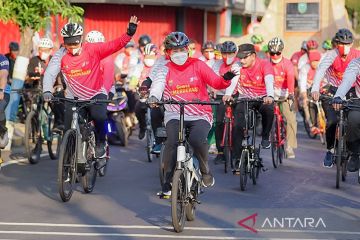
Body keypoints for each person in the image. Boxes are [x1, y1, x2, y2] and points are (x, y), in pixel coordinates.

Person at [148, 32, 235, 197]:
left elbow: (216, 82)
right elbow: (157, 86)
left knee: (196, 139)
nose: (179, 53)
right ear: (168, 52)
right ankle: (167, 181)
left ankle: (205, 170)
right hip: (175, 113)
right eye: (174, 50)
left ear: (188, 49)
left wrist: (226, 79)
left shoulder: (198, 65)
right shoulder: (163, 68)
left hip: (200, 113)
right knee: (172, 142)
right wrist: (154, 97)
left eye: (182, 49)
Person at [43, 16, 139, 159]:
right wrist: (47, 90)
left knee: (99, 116)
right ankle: (68, 160)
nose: (72, 48)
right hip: (73, 98)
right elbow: (50, 72)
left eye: (75, 44)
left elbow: (114, 44)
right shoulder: (61, 54)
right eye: (69, 45)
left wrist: (129, 34)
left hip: (95, 94)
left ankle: (101, 141)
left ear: (81, 40)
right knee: (69, 128)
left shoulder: (93, 49)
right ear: (64, 43)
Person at [311, 28, 360, 168]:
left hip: (351, 92)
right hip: (333, 91)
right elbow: (321, 70)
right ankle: (330, 149)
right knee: (332, 121)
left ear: (352, 44)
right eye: (342, 44)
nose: (345, 47)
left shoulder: (356, 56)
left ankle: (352, 149)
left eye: (348, 44)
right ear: (337, 44)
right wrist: (315, 88)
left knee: (353, 121)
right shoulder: (332, 55)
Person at [223, 43, 275, 163]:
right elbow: (233, 81)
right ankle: (236, 158)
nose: (241, 60)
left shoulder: (264, 64)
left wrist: (270, 95)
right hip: (245, 98)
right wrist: (228, 94)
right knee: (237, 126)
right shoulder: (237, 65)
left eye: (244, 57)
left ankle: (265, 136)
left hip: (262, 98)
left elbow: (269, 80)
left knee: (269, 109)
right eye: (240, 57)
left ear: (253, 56)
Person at [26, 37, 65, 130]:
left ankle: (58, 123)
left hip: (51, 89)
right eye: (41, 49)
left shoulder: (54, 60)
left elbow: (59, 75)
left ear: (51, 50)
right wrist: (35, 75)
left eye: (45, 50)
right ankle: (34, 127)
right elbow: (29, 73)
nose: (43, 52)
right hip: (36, 88)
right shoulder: (34, 60)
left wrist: (58, 86)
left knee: (55, 103)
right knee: (33, 105)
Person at [268, 37, 297, 158]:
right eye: (272, 53)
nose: (275, 55)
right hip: (270, 95)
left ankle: (289, 146)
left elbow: (290, 78)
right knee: (266, 116)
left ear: (282, 51)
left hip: (285, 95)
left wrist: (291, 94)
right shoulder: (265, 63)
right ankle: (268, 136)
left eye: (277, 53)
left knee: (291, 120)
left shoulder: (287, 64)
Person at [211, 41, 240, 163]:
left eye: (230, 53)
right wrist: (213, 89)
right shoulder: (217, 64)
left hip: (237, 94)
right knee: (218, 122)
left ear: (235, 53)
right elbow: (212, 78)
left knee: (239, 123)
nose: (227, 56)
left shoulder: (239, 63)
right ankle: (220, 152)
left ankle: (238, 150)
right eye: (224, 53)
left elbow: (236, 80)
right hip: (221, 95)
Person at [332, 57, 360, 172]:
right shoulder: (356, 63)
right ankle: (355, 154)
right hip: (359, 100)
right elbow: (348, 80)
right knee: (353, 119)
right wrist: (338, 96)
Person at [298, 50, 323, 134]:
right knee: (310, 104)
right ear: (310, 61)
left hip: (321, 88)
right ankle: (312, 125)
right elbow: (302, 83)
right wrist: (304, 96)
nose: (315, 64)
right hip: (309, 89)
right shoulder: (305, 68)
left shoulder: (322, 67)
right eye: (313, 61)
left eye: (317, 61)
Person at [0, 54, 11, 153]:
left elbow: (3, 75)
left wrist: (1, 90)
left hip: (3, 92)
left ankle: (2, 131)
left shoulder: (2, 59)